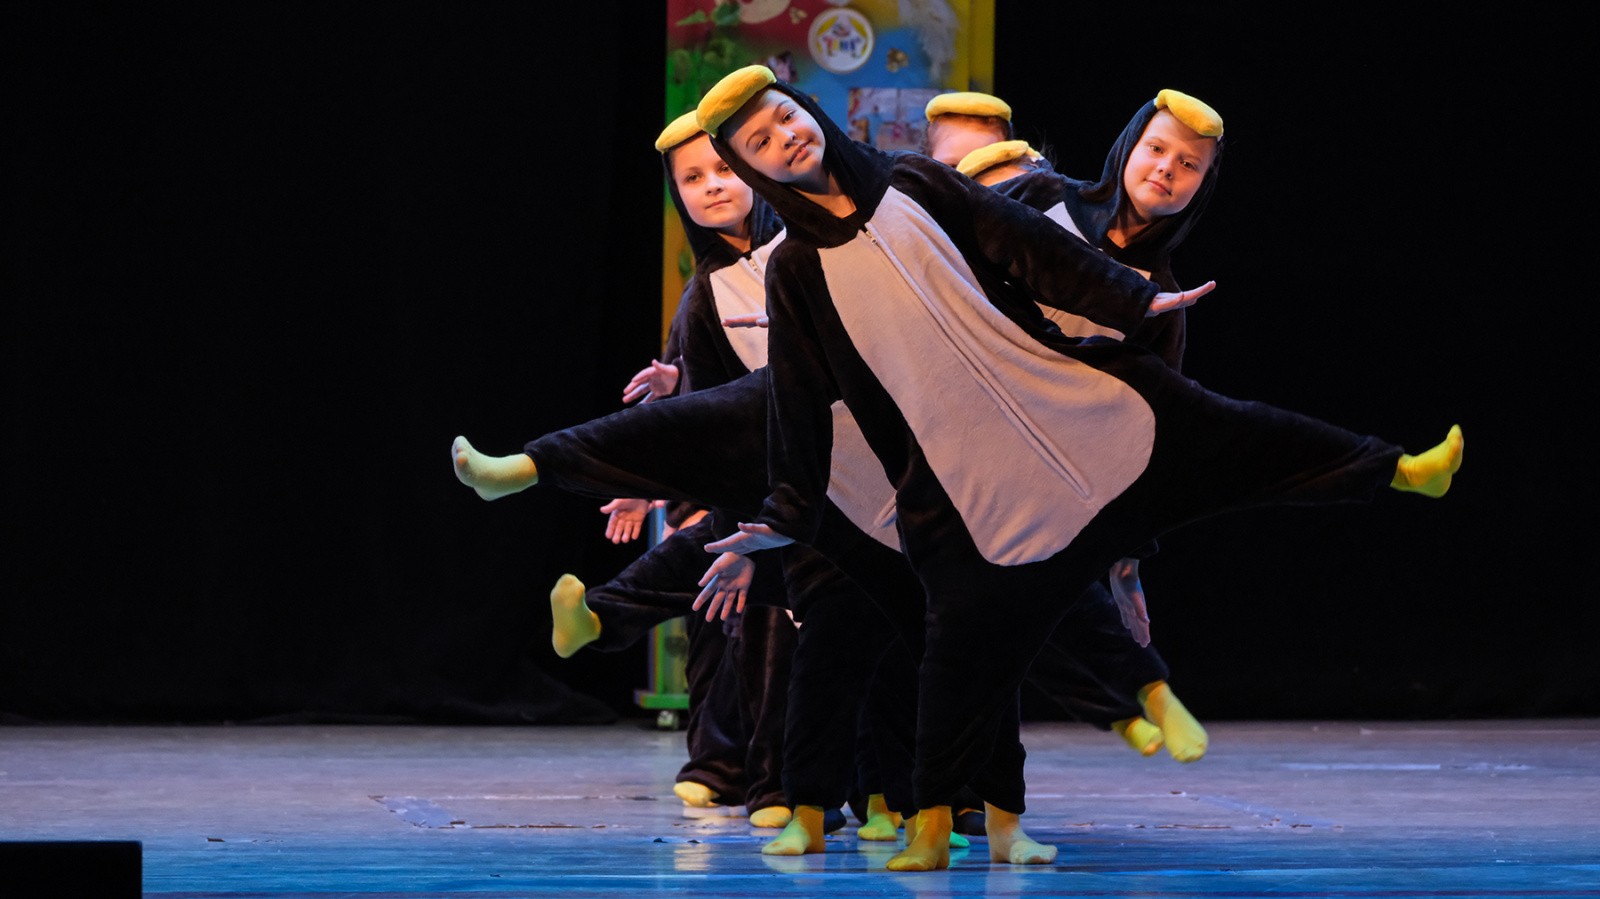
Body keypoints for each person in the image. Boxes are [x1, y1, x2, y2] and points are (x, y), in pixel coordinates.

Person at [692, 65, 1462, 871]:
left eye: (787, 118)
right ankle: (933, 817)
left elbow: (1021, 249)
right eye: (761, 141)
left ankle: (1396, 469)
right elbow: (806, 390)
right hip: (951, 468)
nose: (786, 139)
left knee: (1219, 430)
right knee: (957, 645)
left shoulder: (922, 188)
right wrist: (785, 509)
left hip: (1062, 422)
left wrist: (1132, 302)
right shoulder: (812, 263)